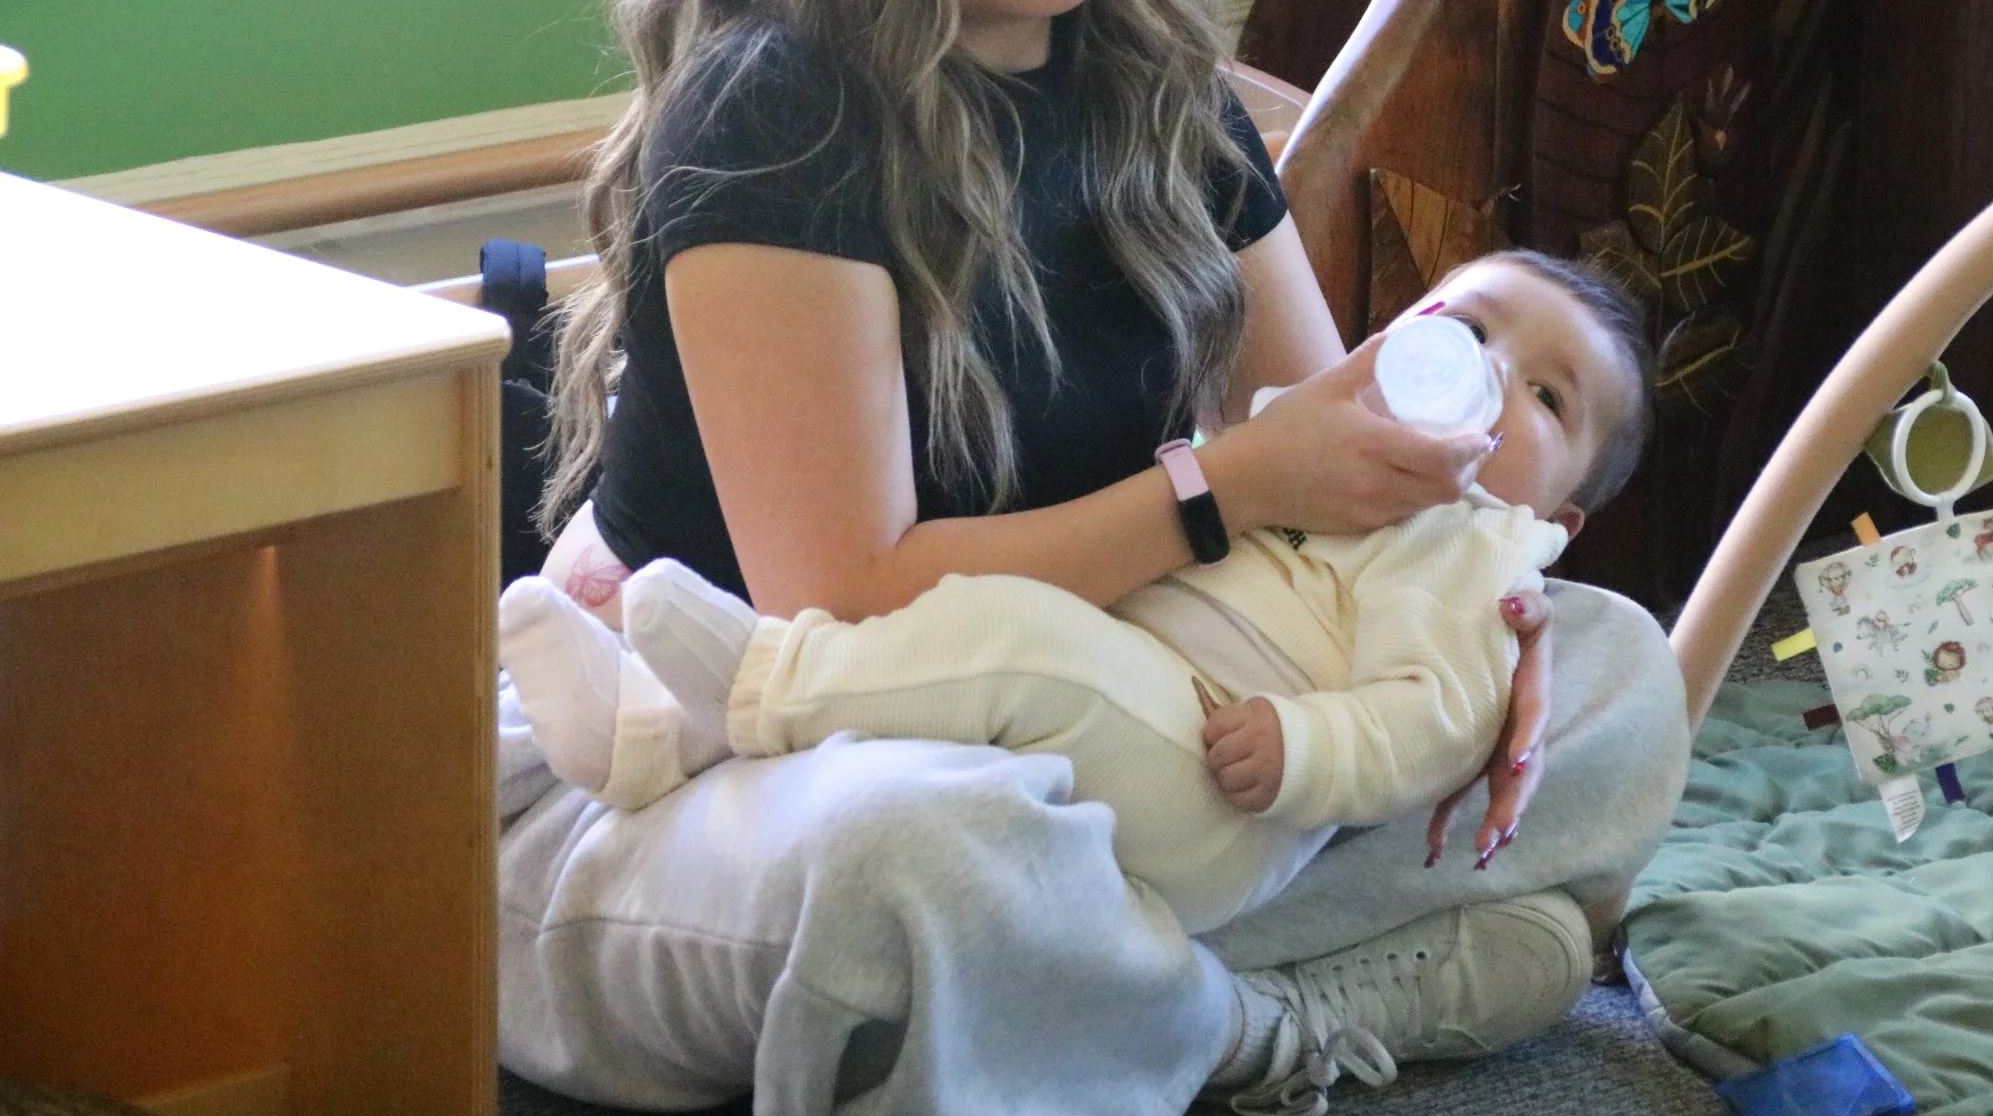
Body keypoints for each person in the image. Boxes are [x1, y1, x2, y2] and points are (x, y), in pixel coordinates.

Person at [494, 0, 1689, 1116]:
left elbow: (1338, 450)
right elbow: (843, 596)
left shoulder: (1155, 83)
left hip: (1091, 728)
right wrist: (1225, 488)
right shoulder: (779, 107)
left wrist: (1466, 600)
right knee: (929, 851)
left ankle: (1100, 999)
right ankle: (1237, 1020)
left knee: (1617, 675)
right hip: (710, 770)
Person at [502, 251, 1653, 949]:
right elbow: (1207, 498)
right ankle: (676, 725)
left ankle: (743, 693)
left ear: (1559, 524)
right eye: (1472, 327)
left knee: (1024, 644)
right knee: (966, 653)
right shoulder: (1323, 424)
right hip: (1136, 686)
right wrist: (1244, 461)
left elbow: (1426, 722)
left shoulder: (1474, 557)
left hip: (1223, 786)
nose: (1491, 373)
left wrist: (1303, 745)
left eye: (1546, 396)